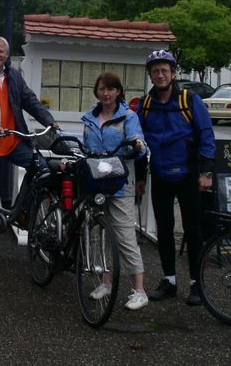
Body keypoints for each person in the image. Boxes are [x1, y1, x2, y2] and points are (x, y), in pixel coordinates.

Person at [138, 49, 215, 306]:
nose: (160, 75)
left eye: (165, 70)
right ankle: (169, 280)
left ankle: (196, 284)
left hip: (189, 175)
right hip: (160, 174)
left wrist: (205, 173)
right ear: (150, 75)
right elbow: (139, 142)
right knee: (165, 230)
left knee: (193, 231)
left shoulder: (189, 100)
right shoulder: (146, 105)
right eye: (156, 71)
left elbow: (206, 135)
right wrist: (140, 177)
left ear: (173, 73)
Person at [0, 36, 57, 236]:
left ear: (7, 54)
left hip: (13, 140)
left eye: (1, 51)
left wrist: (49, 121)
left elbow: (30, 100)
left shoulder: (14, 76)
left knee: (41, 168)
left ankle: (22, 211)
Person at [81, 72, 150, 310]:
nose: (106, 93)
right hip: (96, 184)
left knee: (125, 237)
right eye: (101, 89)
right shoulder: (90, 117)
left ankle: (139, 290)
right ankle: (105, 282)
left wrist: (137, 145)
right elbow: (87, 147)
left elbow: (138, 141)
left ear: (118, 91)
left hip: (120, 183)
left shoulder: (128, 117)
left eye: (110, 89)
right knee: (98, 234)